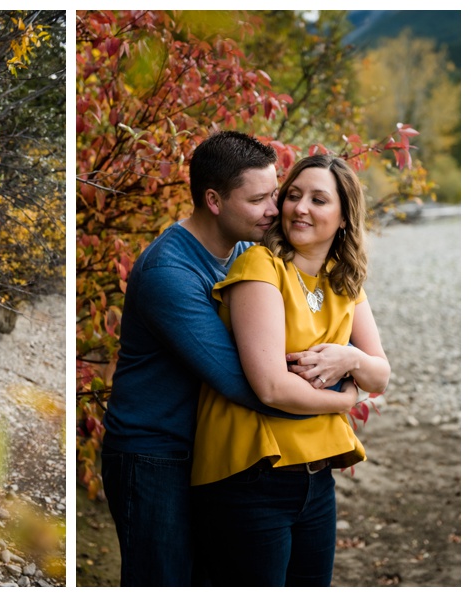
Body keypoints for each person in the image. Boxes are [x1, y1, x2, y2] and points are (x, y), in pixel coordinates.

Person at [101, 131, 348, 586]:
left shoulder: (242, 252)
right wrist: (342, 394)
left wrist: (348, 357)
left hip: (205, 449)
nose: (276, 210)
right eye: (259, 200)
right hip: (154, 455)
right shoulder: (168, 273)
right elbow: (250, 384)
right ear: (214, 200)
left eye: (275, 194)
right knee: (164, 581)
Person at [190, 154, 391, 586]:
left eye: (319, 200)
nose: (300, 208)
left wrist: (350, 359)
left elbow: (381, 374)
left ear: (343, 218)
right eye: (294, 195)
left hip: (316, 478)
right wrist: (346, 397)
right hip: (252, 475)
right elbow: (272, 388)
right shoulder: (260, 268)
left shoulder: (343, 279)